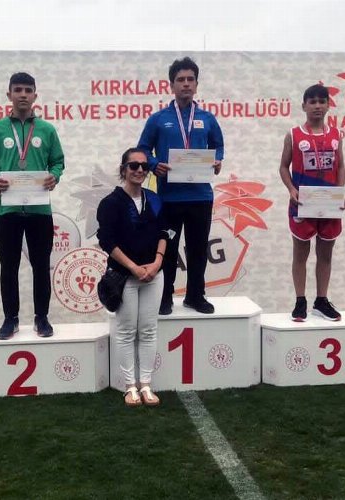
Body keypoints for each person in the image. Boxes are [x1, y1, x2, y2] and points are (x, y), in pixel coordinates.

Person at [137, 56, 224, 316]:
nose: (186, 84)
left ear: (196, 84)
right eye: (180, 80)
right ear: (171, 85)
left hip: (200, 196)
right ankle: (164, 296)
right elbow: (143, 149)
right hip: (169, 198)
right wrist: (154, 164)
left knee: (198, 249)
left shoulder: (207, 118)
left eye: (190, 79)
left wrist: (217, 160)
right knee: (168, 248)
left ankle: (195, 296)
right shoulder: (158, 119)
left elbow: (218, 145)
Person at [0, 72, 64, 339]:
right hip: (8, 209)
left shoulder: (47, 130)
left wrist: (54, 176)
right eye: (18, 90)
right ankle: (10, 319)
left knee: (41, 265)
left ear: (35, 95)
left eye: (28, 90)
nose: (23, 95)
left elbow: (58, 161)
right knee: (9, 267)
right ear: (9, 95)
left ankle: (42, 318)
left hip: (40, 210)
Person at [97, 147, 168, 407]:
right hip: (124, 276)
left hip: (153, 275)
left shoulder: (155, 199)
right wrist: (134, 268)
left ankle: (146, 384)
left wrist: (157, 263)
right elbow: (107, 241)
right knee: (127, 331)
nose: (139, 170)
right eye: (133, 165)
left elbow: (165, 232)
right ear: (123, 169)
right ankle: (130, 386)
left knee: (148, 330)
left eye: (144, 166)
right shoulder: (110, 203)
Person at [279, 84, 345, 322]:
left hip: (329, 204)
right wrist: (291, 189)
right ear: (304, 106)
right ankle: (300, 301)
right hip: (302, 203)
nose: (317, 106)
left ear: (328, 105)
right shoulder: (294, 134)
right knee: (301, 254)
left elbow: (340, 167)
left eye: (322, 101)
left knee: (325, 254)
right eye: (312, 102)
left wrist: (340, 193)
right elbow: (283, 167)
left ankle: (321, 300)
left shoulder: (336, 135)